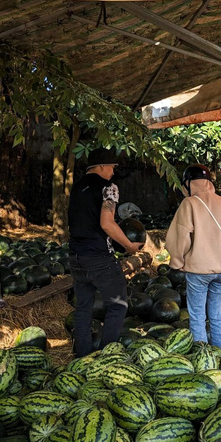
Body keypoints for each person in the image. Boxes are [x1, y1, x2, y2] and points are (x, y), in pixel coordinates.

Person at [68, 148, 143, 358]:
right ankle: (106, 357)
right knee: (118, 306)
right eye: (111, 167)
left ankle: (82, 357)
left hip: (76, 257)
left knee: (83, 308)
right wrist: (128, 245)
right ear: (102, 166)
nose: (113, 172)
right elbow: (107, 224)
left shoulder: (77, 186)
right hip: (100, 258)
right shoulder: (109, 188)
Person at [166, 164, 221, 354]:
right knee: (217, 316)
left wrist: (177, 261)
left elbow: (181, 235)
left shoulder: (189, 204)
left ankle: (203, 359)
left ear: (189, 183)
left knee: (197, 316)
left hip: (198, 271)